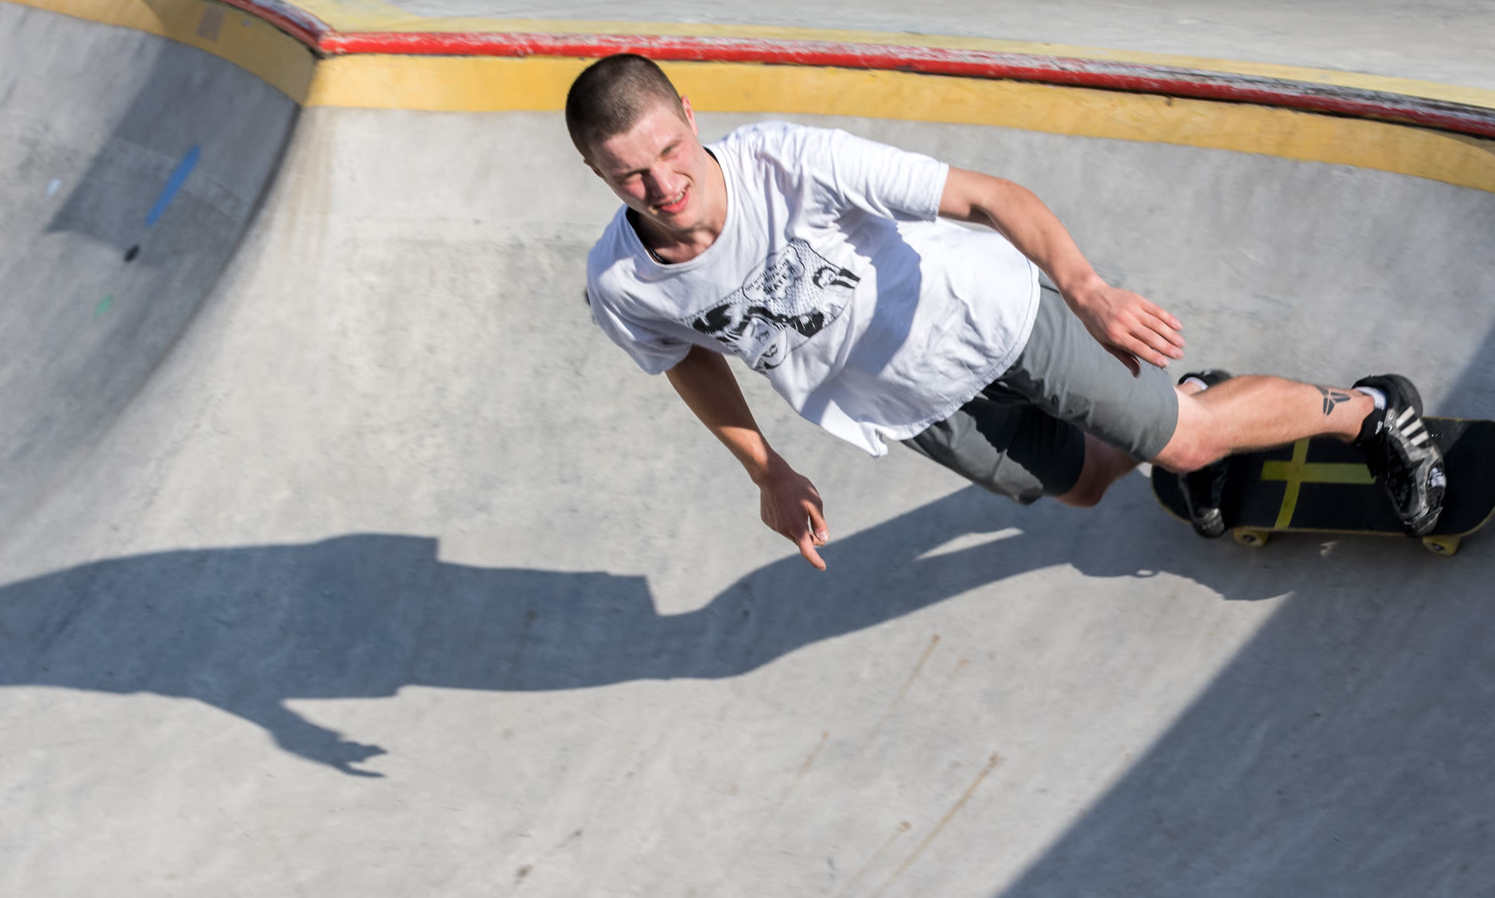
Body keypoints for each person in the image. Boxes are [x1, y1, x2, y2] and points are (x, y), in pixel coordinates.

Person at [570, 53, 1446, 570]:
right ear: (598, 174)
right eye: (630, 175)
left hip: (996, 318)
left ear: (690, 115)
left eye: (671, 150)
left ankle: (1370, 412)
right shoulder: (621, 281)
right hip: (913, 406)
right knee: (1088, 484)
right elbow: (684, 355)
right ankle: (1188, 399)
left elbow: (988, 197)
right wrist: (767, 470)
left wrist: (1088, 289)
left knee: (1188, 443)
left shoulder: (792, 164)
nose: (663, 184)